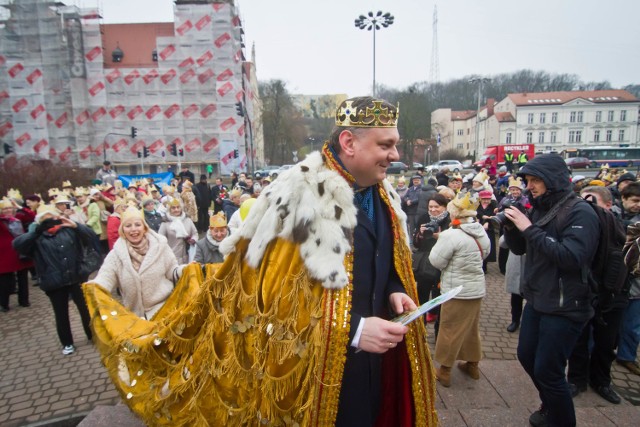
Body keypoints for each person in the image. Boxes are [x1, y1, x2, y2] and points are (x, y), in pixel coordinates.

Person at [82, 96, 437, 426]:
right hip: (317, 376)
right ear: (349, 143)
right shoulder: (299, 199)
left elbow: (386, 259)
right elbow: (271, 300)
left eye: (395, 144)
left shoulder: (383, 194)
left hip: (376, 364)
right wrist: (355, 330)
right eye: (386, 145)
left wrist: (394, 288)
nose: (395, 155)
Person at [503, 153, 599, 427]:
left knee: (549, 371)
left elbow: (572, 257)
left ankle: (561, 418)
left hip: (567, 304)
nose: (530, 186)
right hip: (538, 299)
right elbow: (522, 248)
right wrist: (512, 229)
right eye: (528, 180)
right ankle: (551, 403)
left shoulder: (580, 211)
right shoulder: (540, 207)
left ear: (553, 180)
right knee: (526, 355)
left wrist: (529, 228)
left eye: (536, 180)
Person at [566, 186, 626, 404]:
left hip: (612, 295)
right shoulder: (580, 227)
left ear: (608, 205)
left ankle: (601, 381)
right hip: (584, 291)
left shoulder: (623, 227)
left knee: (606, 343)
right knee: (578, 340)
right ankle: (576, 379)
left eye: (591, 203)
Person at [13, 204, 94, 355]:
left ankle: (92, 335)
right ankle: (67, 343)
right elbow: (18, 245)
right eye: (46, 221)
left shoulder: (68, 231)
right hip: (54, 281)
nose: (50, 223)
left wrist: (75, 225)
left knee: (85, 309)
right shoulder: (37, 237)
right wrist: (36, 231)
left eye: (52, 219)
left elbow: (90, 236)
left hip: (76, 276)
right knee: (61, 313)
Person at [429, 190, 490, 387]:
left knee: (449, 329)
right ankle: (473, 365)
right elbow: (485, 253)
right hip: (476, 290)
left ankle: (445, 371)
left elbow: (436, 261)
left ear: (455, 214)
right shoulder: (480, 231)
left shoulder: (450, 235)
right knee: (471, 329)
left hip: (456, 291)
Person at [85, 206, 183, 319]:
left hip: (165, 311)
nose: (133, 229)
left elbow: (173, 270)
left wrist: (187, 269)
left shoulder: (161, 246)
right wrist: (96, 286)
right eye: (128, 226)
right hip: (136, 318)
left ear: (144, 228)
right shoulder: (116, 255)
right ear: (122, 230)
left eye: (137, 225)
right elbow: (106, 277)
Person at [412, 193, 451, 330]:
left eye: (437, 207)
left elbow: (453, 243)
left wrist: (438, 236)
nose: (433, 210)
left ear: (445, 207)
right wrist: (420, 234)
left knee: (439, 298)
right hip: (425, 265)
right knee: (421, 296)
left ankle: (438, 328)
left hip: (442, 265)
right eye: (430, 207)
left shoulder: (450, 220)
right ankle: (420, 327)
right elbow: (416, 244)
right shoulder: (423, 217)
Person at [616, 181, 640, 377]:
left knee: (632, 325)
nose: (638, 205)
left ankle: (627, 356)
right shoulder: (613, 216)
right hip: (615, 281)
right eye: (635, 201)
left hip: (636, 285)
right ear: (623, 199)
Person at [0, 198, 32, 311]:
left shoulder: (17, 218)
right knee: (5, 280)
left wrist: (19, 207)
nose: (8, 210)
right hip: (5, 254)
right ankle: (4, 303)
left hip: (20, 251)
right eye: (4, 209)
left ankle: (24, 300)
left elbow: (31, 215)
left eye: (9, 208)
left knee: (23, 277)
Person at [158, 198, 197, 264]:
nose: (176, 210)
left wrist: (193, 239)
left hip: (188, 256)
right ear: (169, 210)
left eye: (178, 207)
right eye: (173, 208)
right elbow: (160, 240)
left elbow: (195, 233)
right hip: (172, 258)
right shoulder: (165, 223)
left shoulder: (188, 220)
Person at [477, 189, 497, 273]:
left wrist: (489, 222)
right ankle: (479, 265)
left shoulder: (493, 206)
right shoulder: (477, 206)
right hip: (478, 229)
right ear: (480, 199)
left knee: (487, 247)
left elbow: (495, 217)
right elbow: (475, 214)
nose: (486, 201)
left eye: (488, 199)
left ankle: (484, 266)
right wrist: (481, 217)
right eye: (484, 199)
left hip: (489, 230)